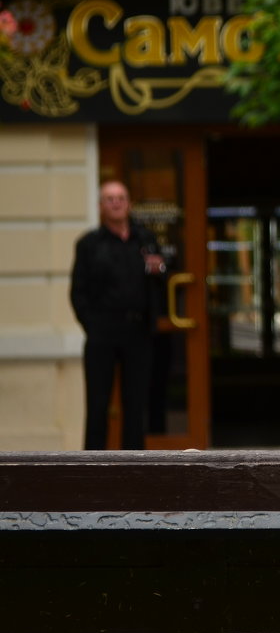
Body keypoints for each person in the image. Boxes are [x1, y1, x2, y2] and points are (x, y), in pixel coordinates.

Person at [70, 181, 166, 450]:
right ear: (101, 206)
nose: (116, 202)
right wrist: (93, 325)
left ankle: (135, 471)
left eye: (121, 197)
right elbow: (78, 292)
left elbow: (162, 278)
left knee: (136, 406)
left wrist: (160, 269)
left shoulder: (145, 239)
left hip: (138, 331)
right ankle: (92, 470)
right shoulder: (89, 244)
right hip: (102, 332)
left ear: (129, 203)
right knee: (98, 405)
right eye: (110, 198)